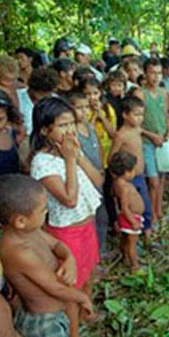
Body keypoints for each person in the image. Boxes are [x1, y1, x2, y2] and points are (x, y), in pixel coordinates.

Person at [0, 174, 95, 337]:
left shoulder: (30, 230)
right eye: (43, 210)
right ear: (20, 220)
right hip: (43, 323)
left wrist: (69, 258)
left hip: (56, 314)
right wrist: (83, 298)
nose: (47, 212)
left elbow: (58, 245)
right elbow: (55, 288)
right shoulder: (18, 251)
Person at [29, 97, 103, 337]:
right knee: (72, 287)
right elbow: (69, 200)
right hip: (67, 232)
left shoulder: (70, 150)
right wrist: (70, 160)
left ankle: (87, 313)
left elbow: (98, 180)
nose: (70, 130)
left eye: (72, 123)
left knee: (89, 273)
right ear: (45, 130)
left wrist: (77, 156)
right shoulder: (43, 162)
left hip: (86, 226)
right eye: (62, 125)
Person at [109, 96, 153, 247]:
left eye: (142, 115)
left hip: (139, 175)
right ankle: (130, 241)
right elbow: (112, 157)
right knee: (130, 208)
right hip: (128, 179)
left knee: (145, 206)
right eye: (136, 115)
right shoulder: (121, 135)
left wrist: (153, 137)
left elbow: (142, 131)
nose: (140, 118)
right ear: (125, 115)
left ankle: (147, 237)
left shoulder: (136, 129)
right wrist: (115, 178)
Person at [68, 92, 109, 253]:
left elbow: (97, 146)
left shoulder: (89, 127)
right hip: (84, 181)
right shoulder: (72, 132)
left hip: (97, 177)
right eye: (79, 108)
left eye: (86, 107)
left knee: (101, 215)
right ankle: (91, 253)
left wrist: (101, 167)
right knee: (89, 218)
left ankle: (101, 249)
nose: (83, 111)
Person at [140, 58, 169, 224]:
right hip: (147, 142)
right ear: (145, 73)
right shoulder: (140, 93)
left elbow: (167, 116)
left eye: (159, 73)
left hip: (163, 142)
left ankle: (158, 209)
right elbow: (135, 124)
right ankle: (151, 214)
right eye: (152, 73)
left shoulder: (164, 92)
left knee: (161, 178)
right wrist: (151, 135)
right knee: (152, 181)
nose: (156, 77)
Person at [109, 151, 145, 271]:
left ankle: (125, 257)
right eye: (133, 170)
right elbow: (124, 207)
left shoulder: (117, 183)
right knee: (132, 244)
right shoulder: (125, 188)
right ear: (126, 172)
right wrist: (133, 221)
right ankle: (135, 266)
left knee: (126, 240)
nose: (135, 173)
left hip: (127, 217)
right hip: (131, 217)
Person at [81, 76, 118, 166]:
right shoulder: (81, 111)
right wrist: (94, 117)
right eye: (88, 94)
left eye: (95, 93)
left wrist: (102, 117)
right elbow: (86, 134)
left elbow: (113, 134)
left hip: (107, 154)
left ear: (100, 93)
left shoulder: (107, 109)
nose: (92, 97)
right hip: (90, 156)